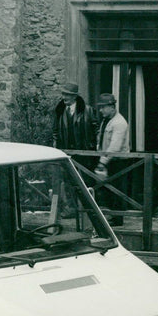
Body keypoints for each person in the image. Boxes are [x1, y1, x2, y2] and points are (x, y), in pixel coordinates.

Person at [52, 83, 98, 218]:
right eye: (63, 94)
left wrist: (92, 147)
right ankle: (71, 210)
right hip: (66, 153)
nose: (64, 97)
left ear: (74, 96)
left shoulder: (88, 110)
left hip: (84, 153)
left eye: (67, 95)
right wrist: (56, 148)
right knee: (67, 181)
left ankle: (88, 211)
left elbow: (96, 130)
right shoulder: (60, 110)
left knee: (85, 182)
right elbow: (55, 131)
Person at [94, 93, 130, 226]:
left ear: (112, 107)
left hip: (117, 161)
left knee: (117, 190)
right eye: (100, 107)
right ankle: (112, 216)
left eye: (103, 107)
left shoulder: (119, 122)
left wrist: (102, 162)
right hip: (109, 160)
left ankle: (118, 219)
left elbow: (115, 146)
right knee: (109, 189)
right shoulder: (107, 120)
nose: (101, 110)